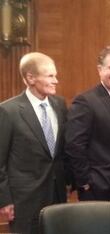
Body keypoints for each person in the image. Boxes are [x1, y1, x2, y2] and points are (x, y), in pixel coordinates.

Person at [64, 45, 110, 234]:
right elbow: (74, 144)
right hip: (97, 186)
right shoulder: (85, 101)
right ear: (100, 69)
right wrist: (84, 182)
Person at [0, 52, 68, 233]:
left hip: (57, 193)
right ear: (30, 78)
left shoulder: (60, 105)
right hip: (24, 200)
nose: (56, 81)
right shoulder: (8, 111)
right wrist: (4, 200)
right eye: (50, 76)